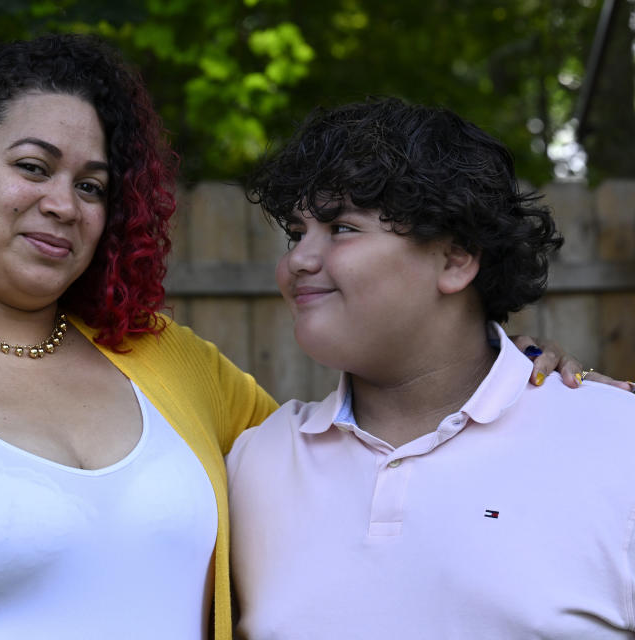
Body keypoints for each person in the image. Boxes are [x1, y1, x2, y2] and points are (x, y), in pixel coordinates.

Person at [0, 37, 593, 640]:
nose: (61, 203)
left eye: (92, 185)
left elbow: (354, 449)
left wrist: (522, 381)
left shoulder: (167, 364)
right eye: (32, 167)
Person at [227, 97, 635, 639]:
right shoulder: (253, 462)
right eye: (297, 234)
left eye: (341, 228)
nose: (298, 260)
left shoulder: (616, 442)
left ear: (455, 259)